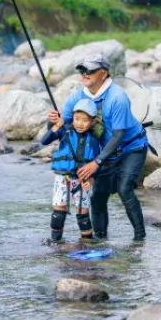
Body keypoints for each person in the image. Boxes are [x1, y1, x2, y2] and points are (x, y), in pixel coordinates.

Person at [47, 54, 149, 241]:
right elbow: (63, 125)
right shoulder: (77, 96)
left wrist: (96, 162)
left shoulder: (117, 97)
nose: (84, 74)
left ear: (103, 73)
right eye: (82, 70)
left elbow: (118, 136)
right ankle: (100, 241)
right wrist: (54, 122)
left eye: (90, 71)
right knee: (97, 196)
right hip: (103, 153)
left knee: (124, 188)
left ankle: (139, 241)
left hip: (131, 147)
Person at [40, 98, 102, 242]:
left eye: (85, 120)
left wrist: (92, 179)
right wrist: (56, 126)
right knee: (58, 211)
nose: (80, 123)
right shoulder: (65, 131)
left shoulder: (92, 141)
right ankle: (55, 242)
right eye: (77, 119)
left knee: (83, 213)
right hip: (62, 178)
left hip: (81, 179)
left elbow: (97, 164)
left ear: (92, 122)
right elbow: (44, 141)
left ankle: (87, 242)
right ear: (72, 118)